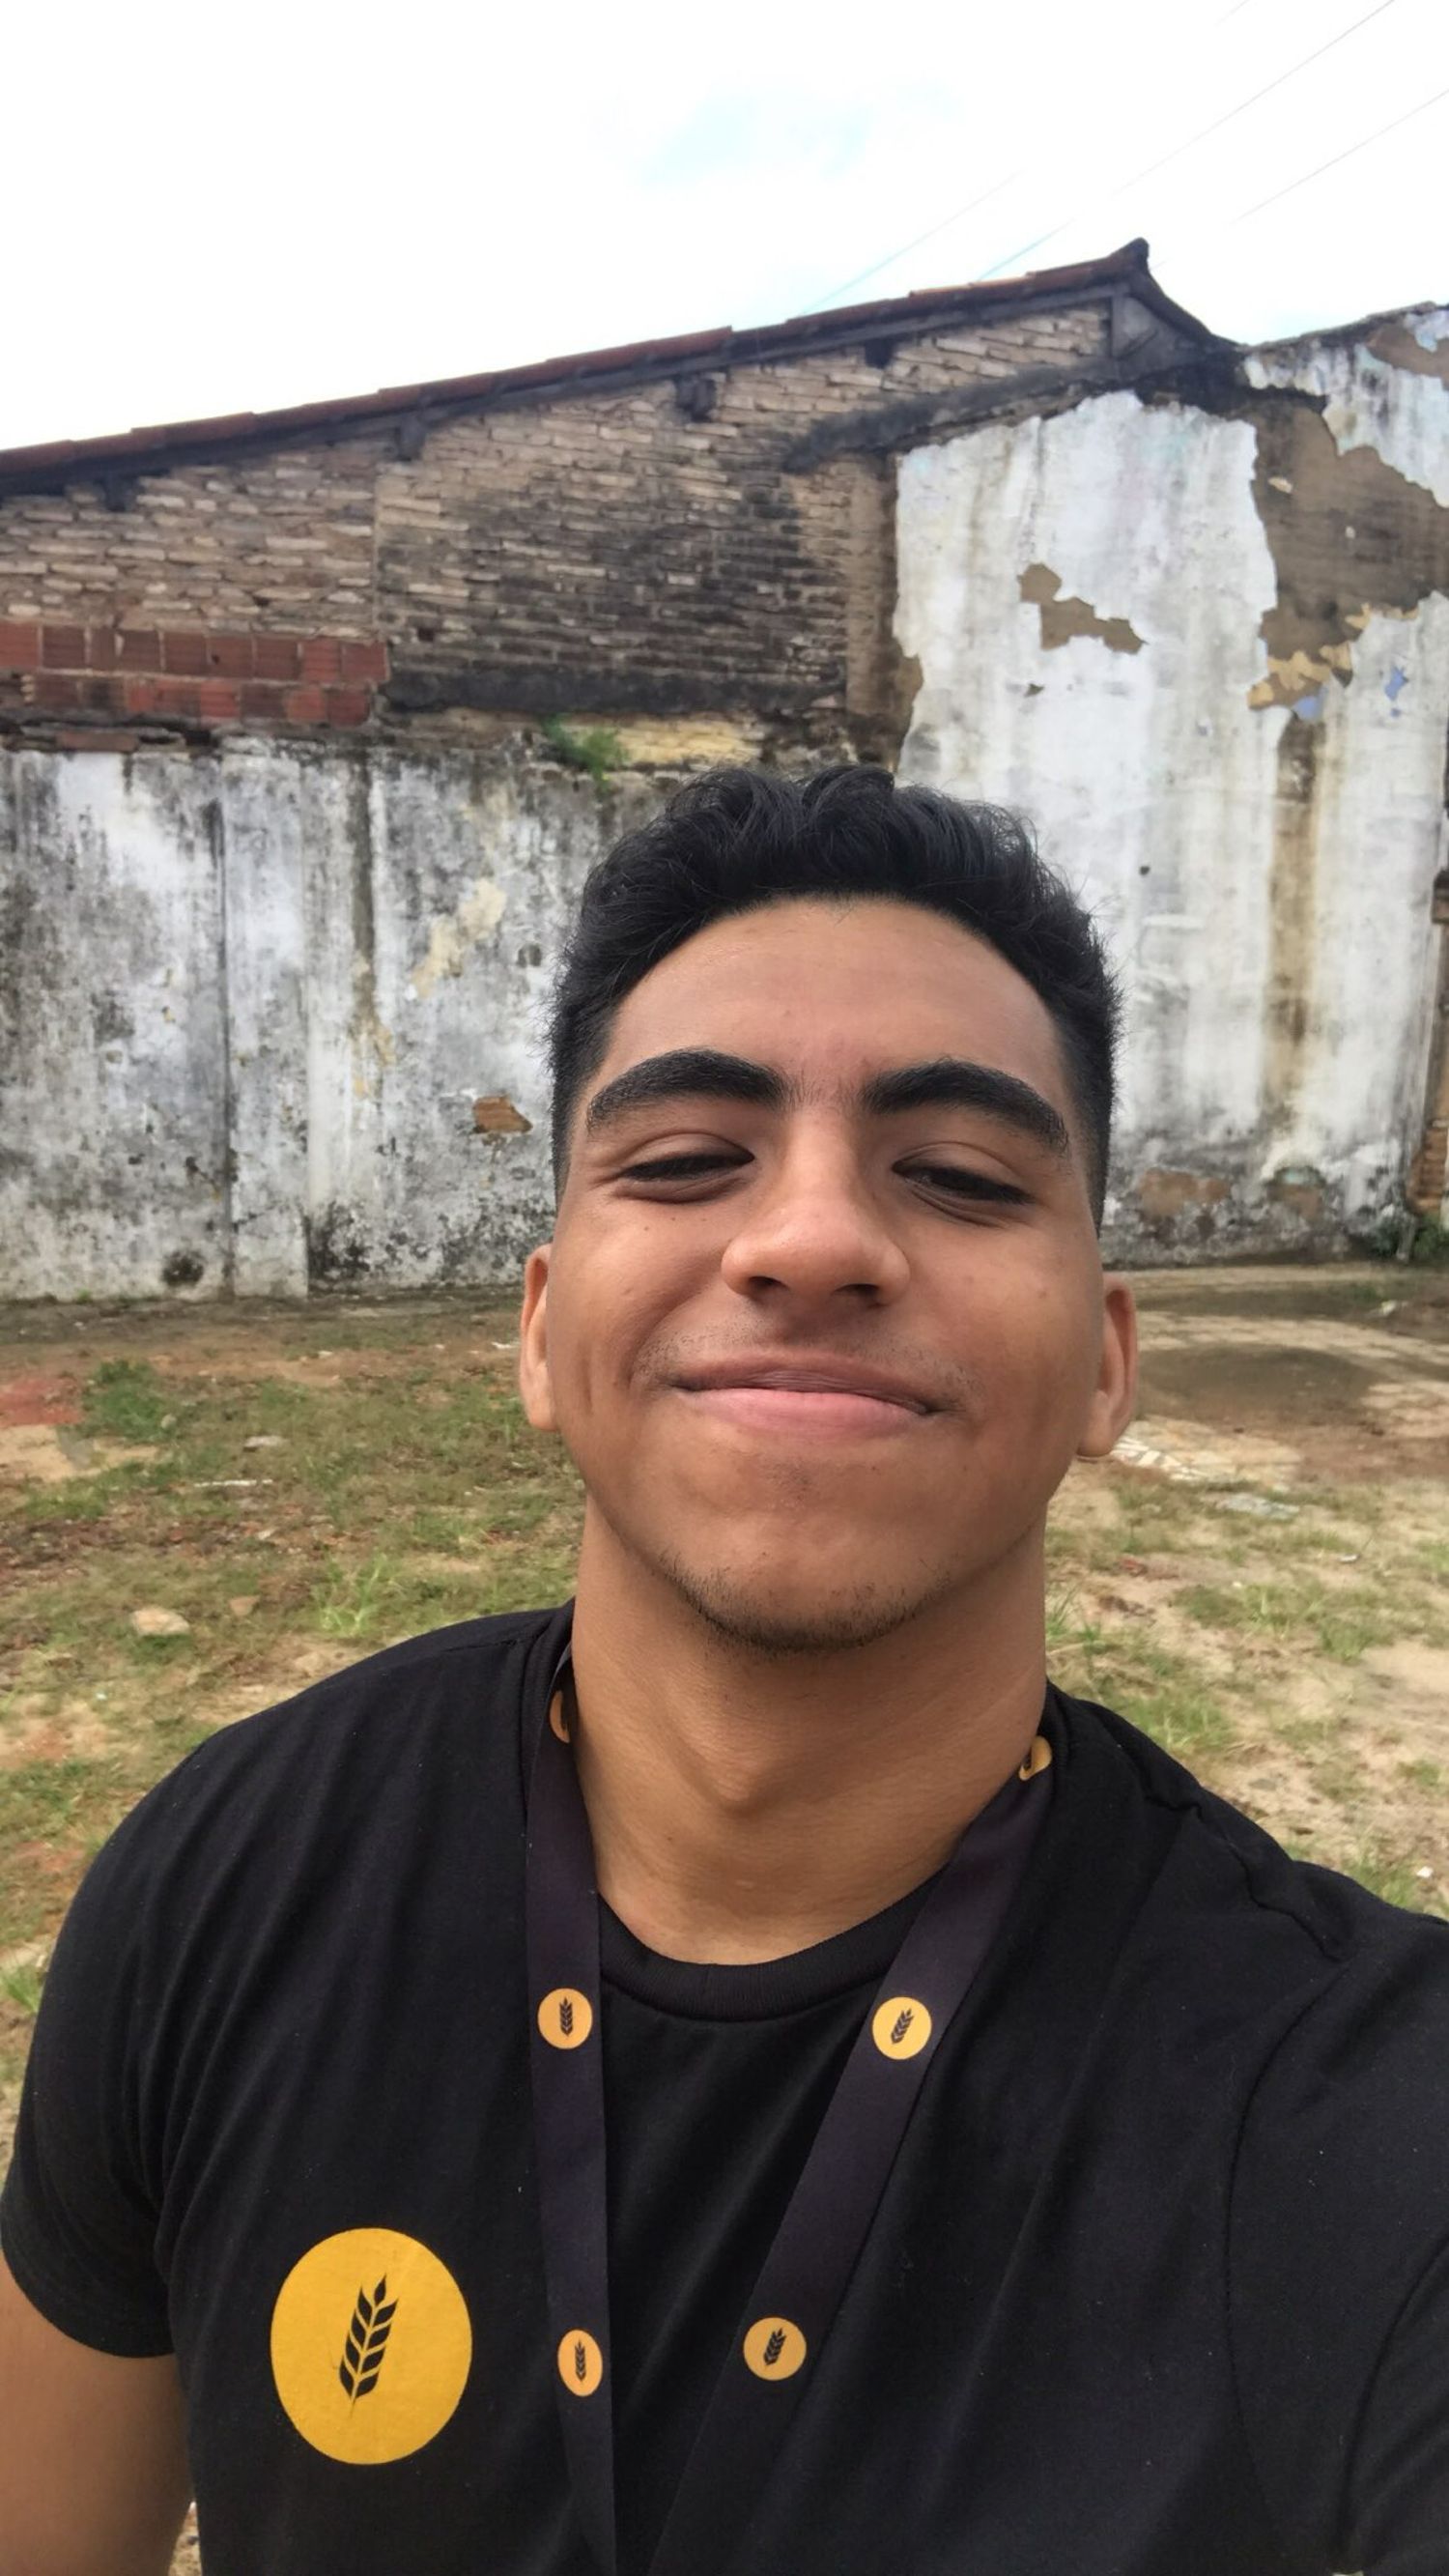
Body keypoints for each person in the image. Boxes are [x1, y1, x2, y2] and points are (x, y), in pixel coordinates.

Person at [1, 765, 1445, 2576]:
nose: (814, 1237)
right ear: (543, 1329)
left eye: (961, 1174)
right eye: (687, 1160)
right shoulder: (223, 1887)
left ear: (1105, 1360)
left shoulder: (1354, 2111)